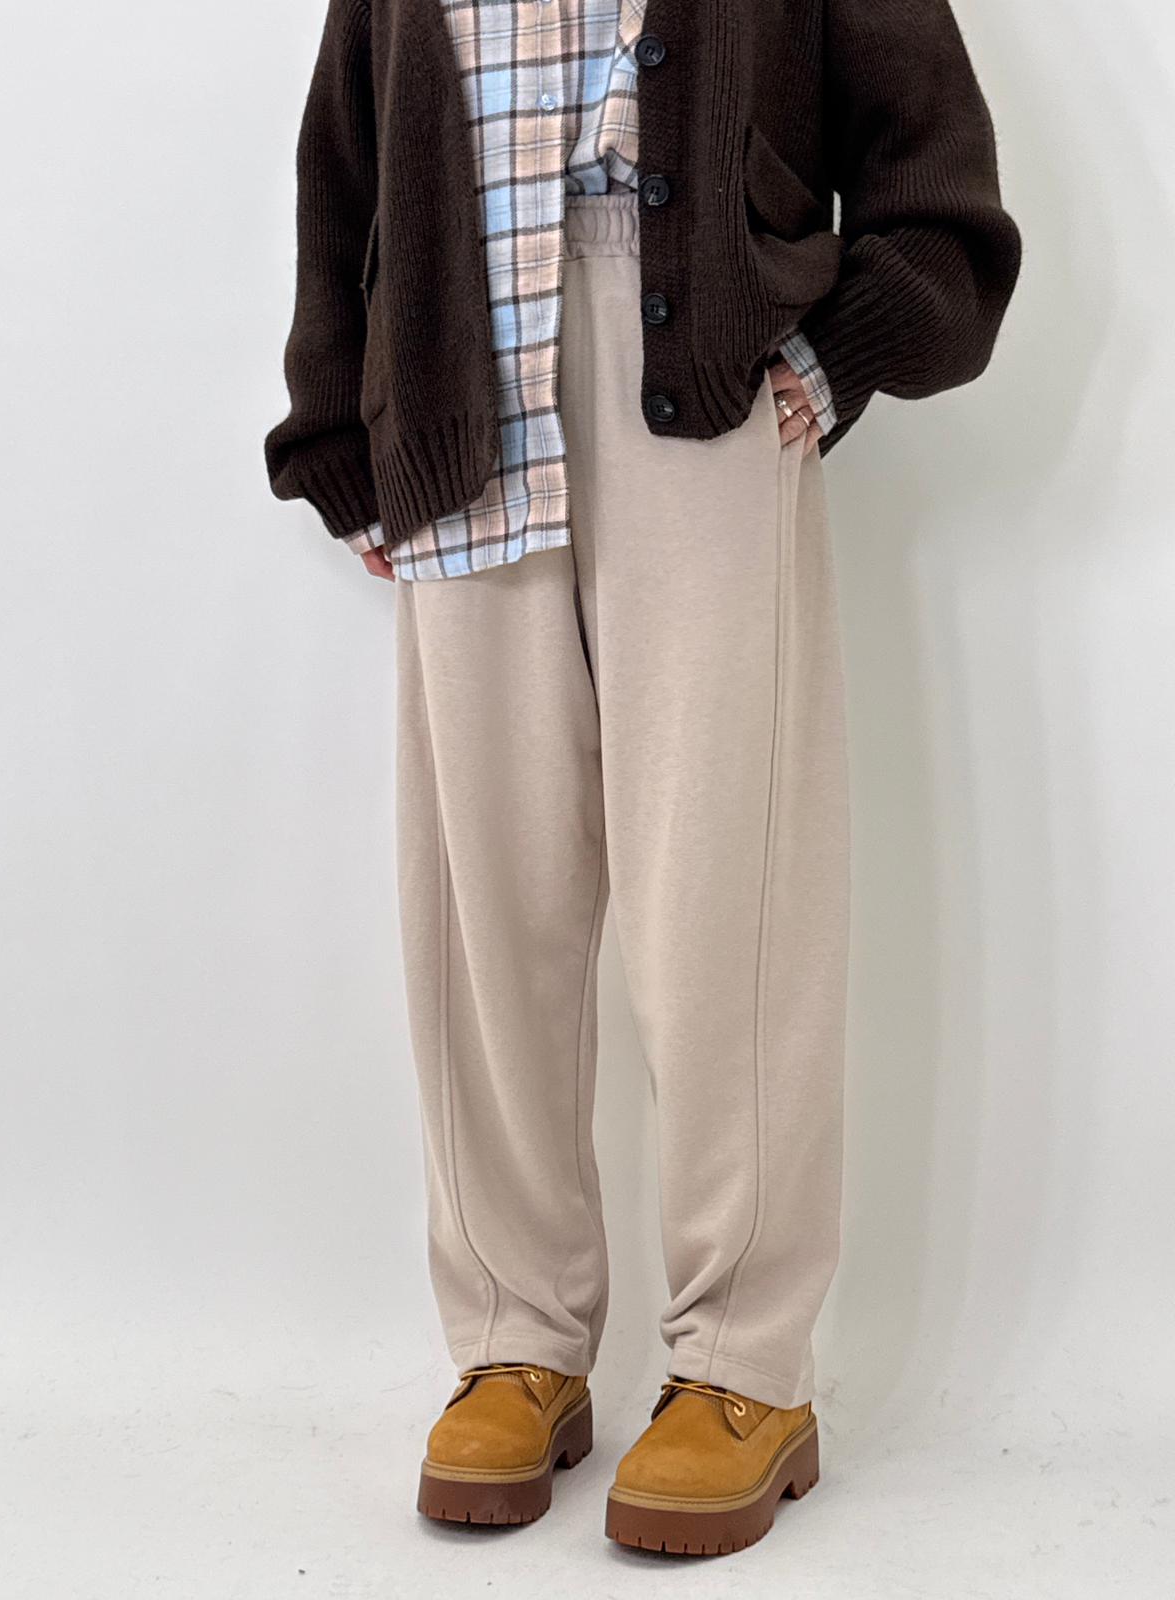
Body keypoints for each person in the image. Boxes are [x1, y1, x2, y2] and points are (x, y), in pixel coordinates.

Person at [265, 0, 1021, 1557]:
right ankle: (516, 1339)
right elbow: (345, 148)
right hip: (456, 360)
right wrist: (339, 417)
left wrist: (846, 345)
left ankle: (743, 1365)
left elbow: (935, 166)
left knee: (724, 892)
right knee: (487, 900)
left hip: (702, 364)